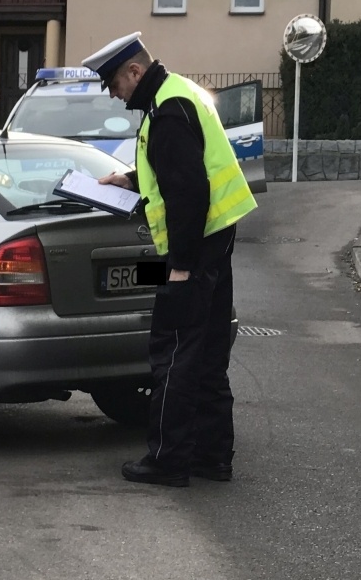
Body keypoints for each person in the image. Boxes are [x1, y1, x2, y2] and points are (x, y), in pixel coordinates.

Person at [82, 32, 257, 487]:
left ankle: (169, 459)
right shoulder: (178, 94)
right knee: (209, 353)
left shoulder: (167, 113)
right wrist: (131, 178)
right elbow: (179, 171)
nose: (116, 96)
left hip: (195, 251)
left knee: (174, 353)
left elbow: (188, 192)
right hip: (217, 243)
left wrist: (179, 265)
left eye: (116, 84)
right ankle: (213, 456)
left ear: (135, 73)